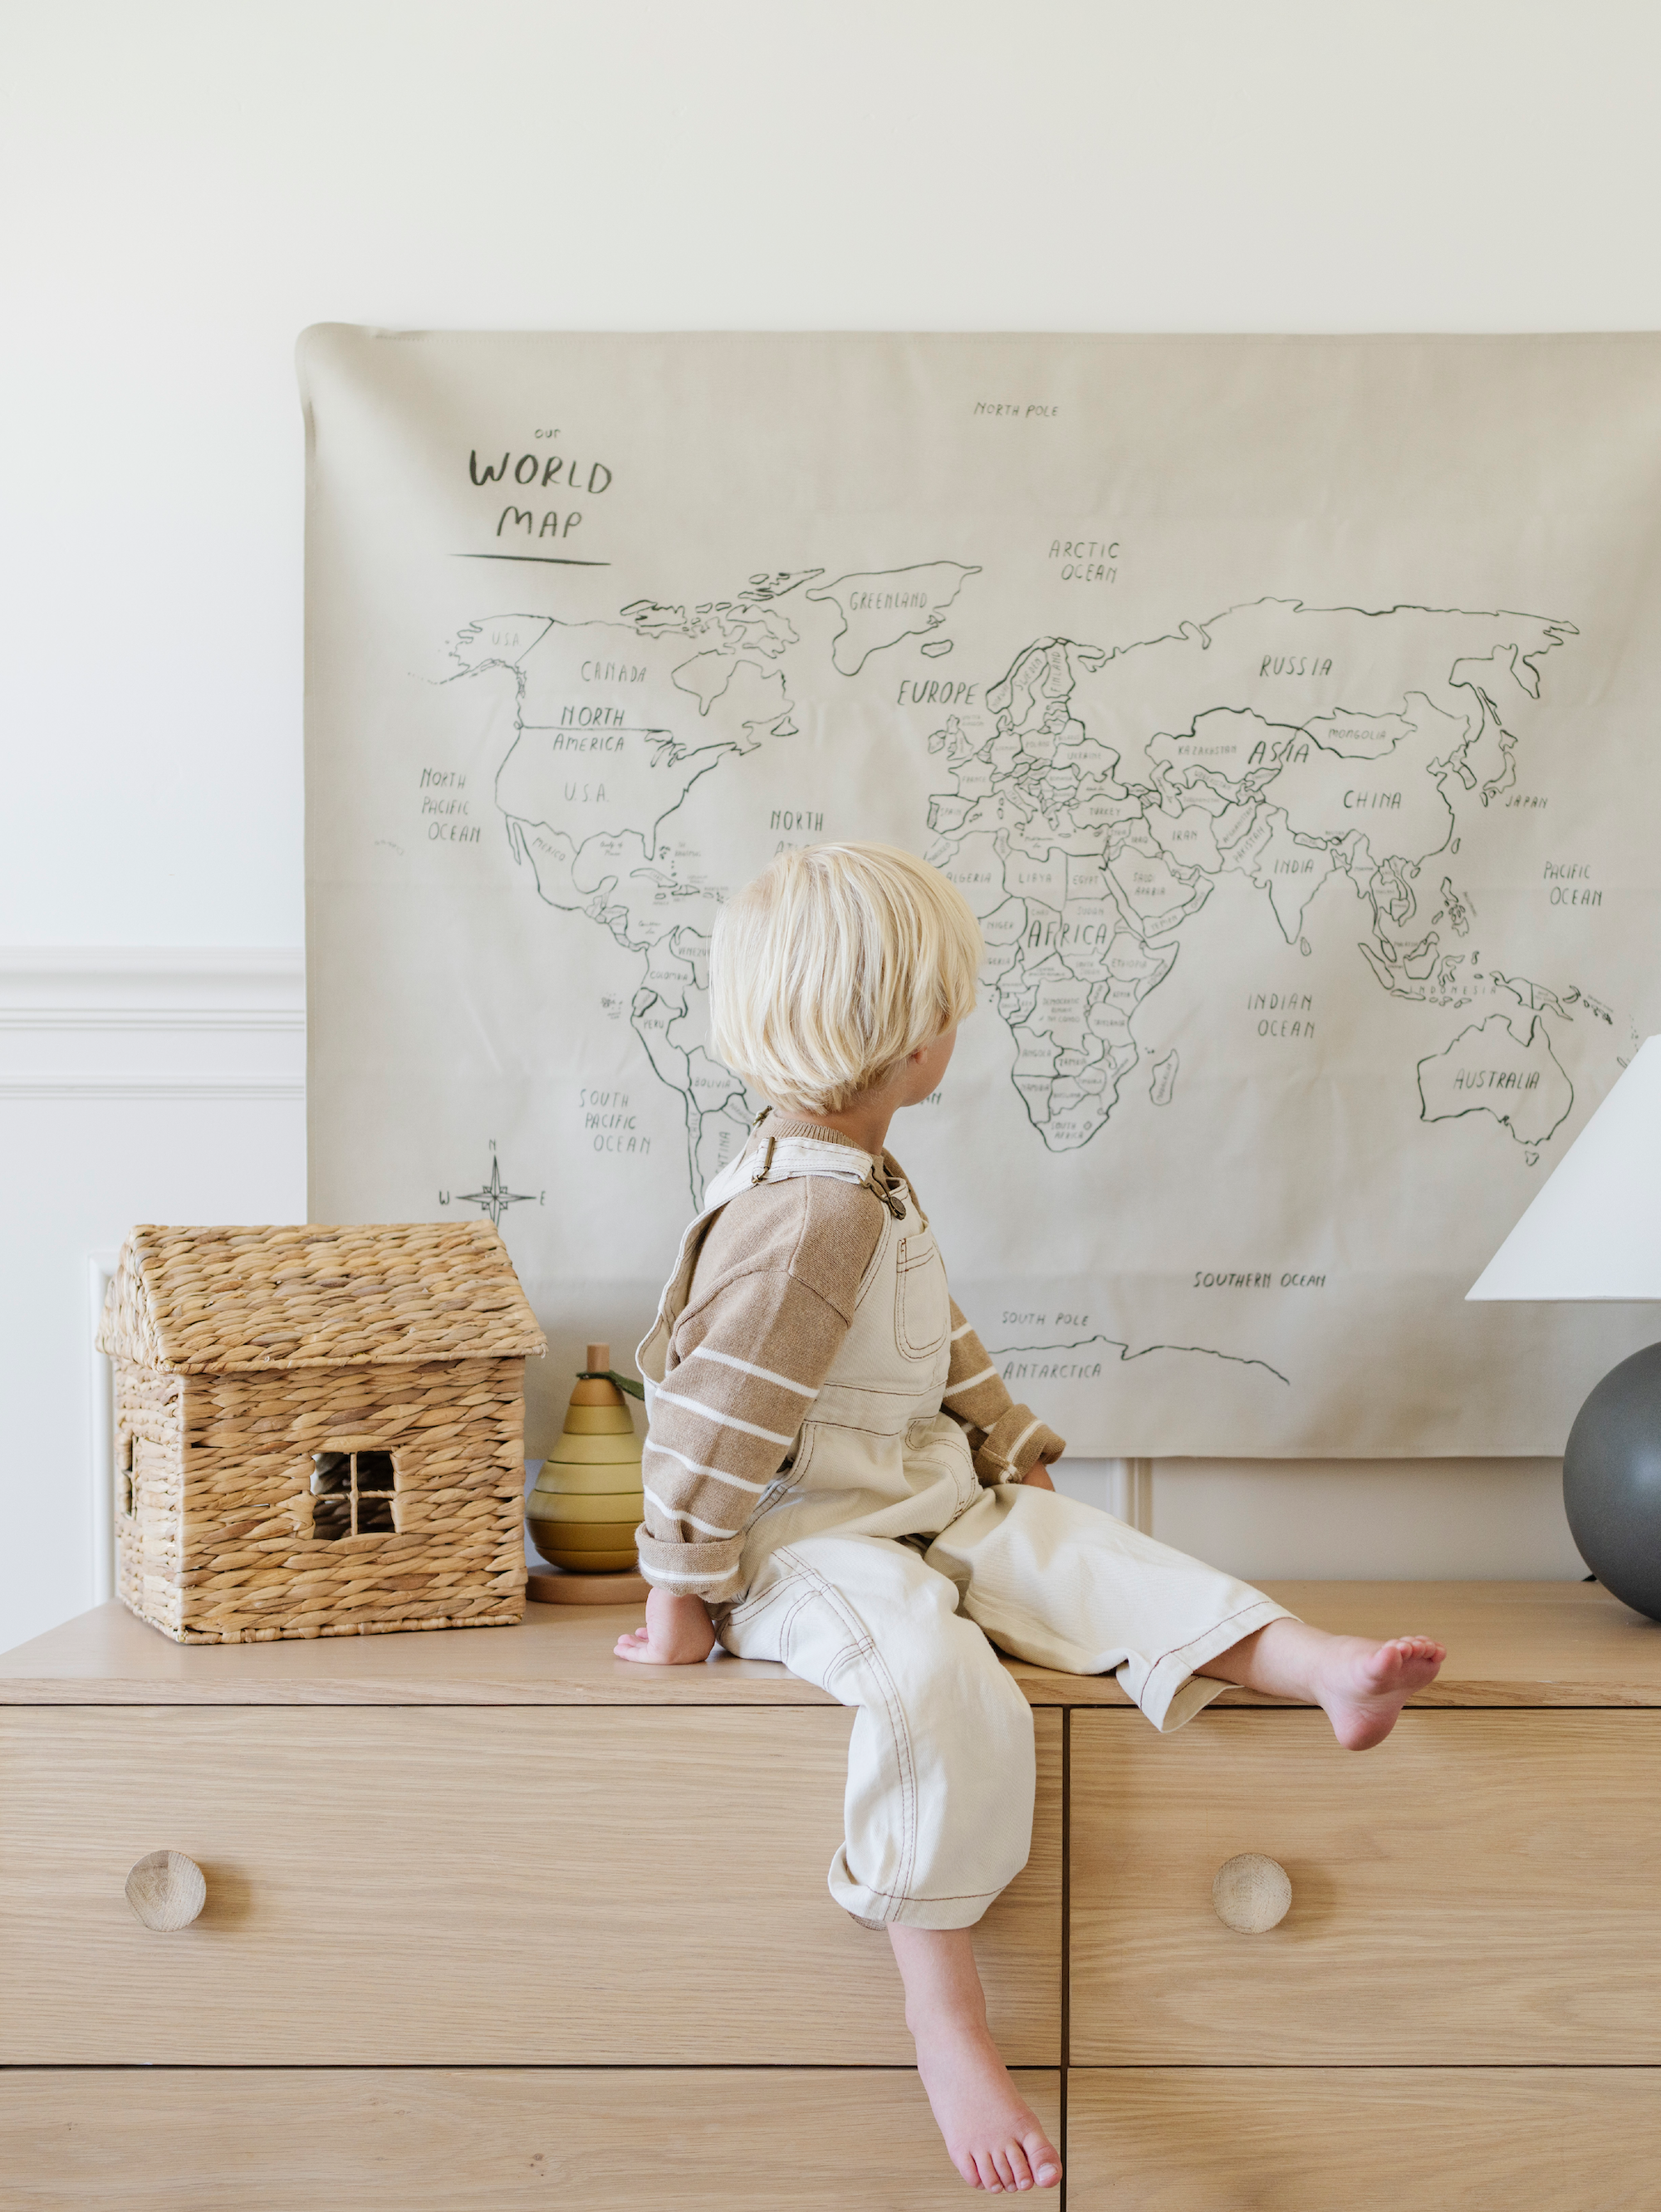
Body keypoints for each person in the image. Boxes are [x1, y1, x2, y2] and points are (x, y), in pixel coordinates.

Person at [615, 842, 1445, 2195]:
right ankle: (945, 2013)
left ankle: (1316, 1666)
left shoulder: (868, 1183)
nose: (961, 1025)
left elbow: (942, 1338)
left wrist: (1016, 1453)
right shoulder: (798, 1219)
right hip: (806, 1543)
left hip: (922, 1493)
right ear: (897, 1037)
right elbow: (711, 1429)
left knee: (1096, 1557)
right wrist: (677, 1601)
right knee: (932, 1681)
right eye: (947, 1006)